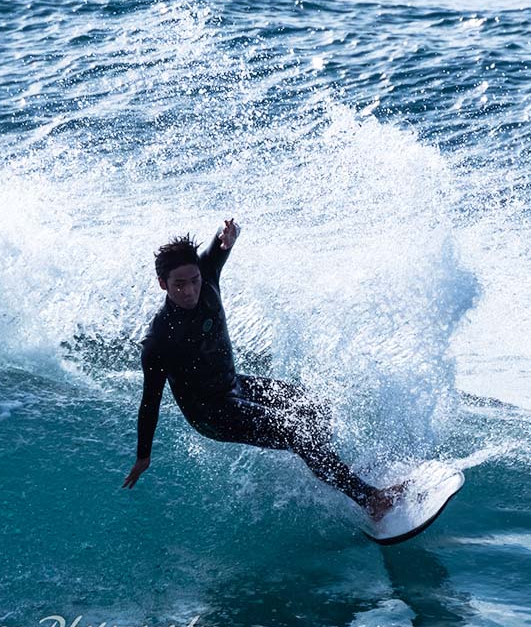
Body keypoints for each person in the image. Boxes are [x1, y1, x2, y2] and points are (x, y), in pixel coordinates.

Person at [122, 219, 401, 521]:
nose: (190, 291)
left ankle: (335, 471)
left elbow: (224, 236)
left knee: (315, 406)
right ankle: (371, 500)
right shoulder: (159, 340)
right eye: (179, 284)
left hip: (233, 386)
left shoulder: (208, 274)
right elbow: (150, 400)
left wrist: (229, 232)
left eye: (194, 280)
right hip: (210, 414)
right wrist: (143, 456)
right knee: (296, 430)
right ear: (163, 284)